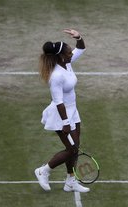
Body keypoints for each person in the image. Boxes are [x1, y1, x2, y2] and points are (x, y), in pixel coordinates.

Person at [34, 28, 89, 193]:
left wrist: (78, 37)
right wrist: (65, 123)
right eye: (68, 52)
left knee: (76, 146)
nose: (71, 53)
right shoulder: (56, 76)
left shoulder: (67, 62)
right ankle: (44, 170)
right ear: (61, 56)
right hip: (61, 114)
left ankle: (70, 181)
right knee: (71, 149)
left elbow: (81, 48)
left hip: (73, 110)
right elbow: (58, 102)